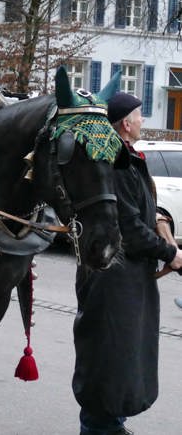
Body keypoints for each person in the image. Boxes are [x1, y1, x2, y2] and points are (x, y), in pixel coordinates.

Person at [72, 91, 182, 435]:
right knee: (110, 359)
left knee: (120, 360)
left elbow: (138, 212)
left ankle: (108, 424)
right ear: (125, 124)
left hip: (126, 280)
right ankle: (102, 428)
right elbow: (129, 228)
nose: (142, 121)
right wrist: (171, 253)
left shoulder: (127, 158)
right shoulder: (114, 164)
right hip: (112, 279)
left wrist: (159, 215)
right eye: (139, 116)